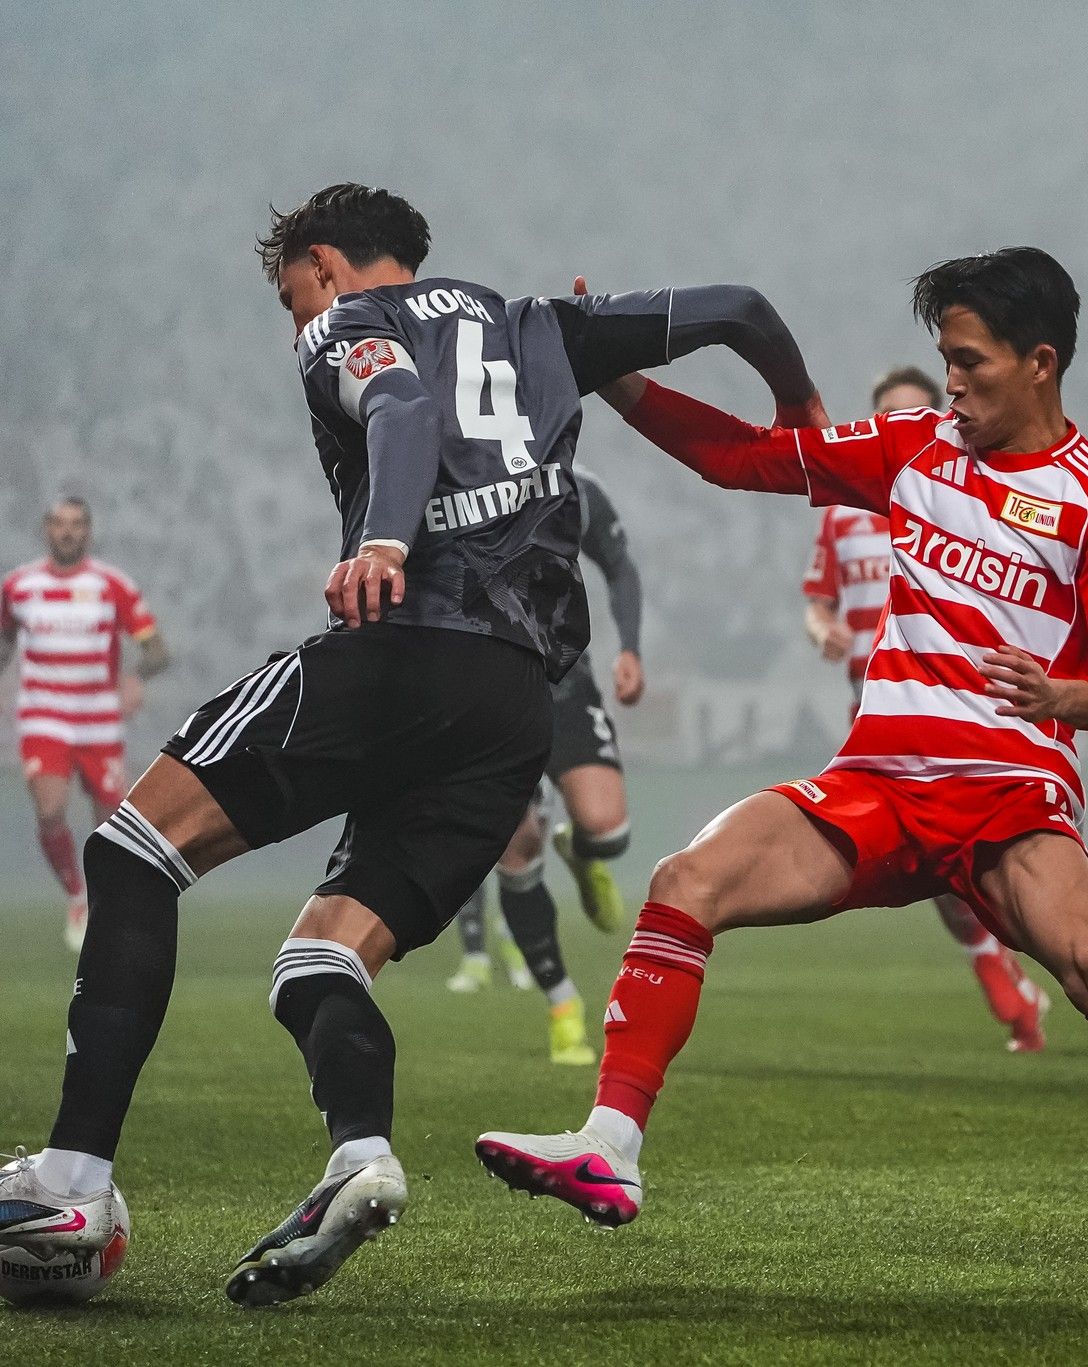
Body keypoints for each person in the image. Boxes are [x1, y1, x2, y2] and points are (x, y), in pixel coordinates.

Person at [0, 182, 822, 1307]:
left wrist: (384, 533)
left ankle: (73, 1181)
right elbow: (740, 306)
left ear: (326, 265)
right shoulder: (544, 324)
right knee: (321, 958)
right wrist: (805, 414)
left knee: (132, 853)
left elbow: (399, 412)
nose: (298, 326)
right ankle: (359, 1153)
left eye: (293, 297)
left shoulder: (347, 326)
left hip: (402, 648)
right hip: (512, 707)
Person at [478, 248, 1088, 1276]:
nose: (953, 381)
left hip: (1007, 796)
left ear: (1041, 363)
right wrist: (618, 378)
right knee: (685, 878)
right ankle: (610, 1145)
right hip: (875, 786)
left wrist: (1063, 695)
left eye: (969, 362)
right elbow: (740, 455)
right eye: (946, 358)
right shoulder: (909, 448)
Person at [804, 364, 1050, 1052]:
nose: (908, 431)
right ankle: (1003, 973)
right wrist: (821, 627)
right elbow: (819, 600)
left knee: (972, 860)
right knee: (934, 866)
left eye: (920, 414)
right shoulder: (845, 514)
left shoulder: (974, 498)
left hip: (965, 701)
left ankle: (1038, 967)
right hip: (879, 705)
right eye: (891, 419)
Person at [446, 465, 646, 1067]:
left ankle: (583, 853)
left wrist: (631, 647)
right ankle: (563, 1005)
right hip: (484, 690)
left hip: (563, 680)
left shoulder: (576, 486)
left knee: (608, 828)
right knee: (516, 848)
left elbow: (620, 566)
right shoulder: (449, 482)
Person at [1, 498, 169, 949]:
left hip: (99, 723)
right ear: (46, 530)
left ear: (88, 531)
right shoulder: (18, 587)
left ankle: (105, 906)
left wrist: (134, 679)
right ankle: (76, 895)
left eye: (76, 524)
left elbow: (156, 649)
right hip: (45, 718)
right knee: (51, 810)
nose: (68, 532)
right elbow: (3, 645)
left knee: (112, 826)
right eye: (59, 524)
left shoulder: (112, 585)